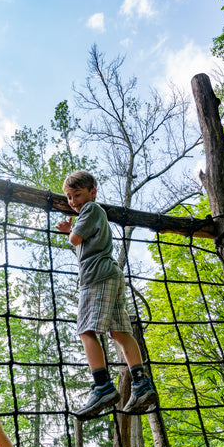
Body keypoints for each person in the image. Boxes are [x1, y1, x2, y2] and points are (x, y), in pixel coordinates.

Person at [56, 171, 158, 419]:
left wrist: (69, 229)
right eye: (69, 197)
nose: (72, 201)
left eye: (76, 195)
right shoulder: (93, 215)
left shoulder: (90, 210)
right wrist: (73, 227)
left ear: (93, 191)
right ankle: (141, 383)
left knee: (85, 330)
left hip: (97, 278)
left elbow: (75, 238)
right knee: (120, 332)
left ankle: (102, 385)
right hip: (110, 275)